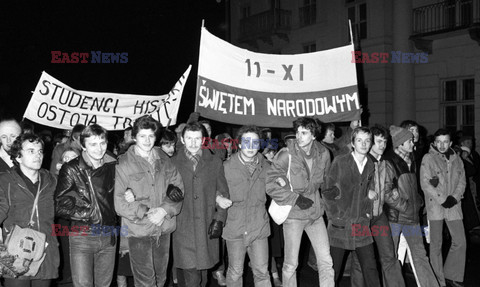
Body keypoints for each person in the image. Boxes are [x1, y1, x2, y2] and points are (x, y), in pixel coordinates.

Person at [115, 115, 184, 287]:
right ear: (134, 136)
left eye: (151, 136)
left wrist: (164, 210)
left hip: (163, 227)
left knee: (161, 279)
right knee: (145, 281)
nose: (147, 140)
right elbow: (119, 202)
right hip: (139, 230)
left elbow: (178, 189)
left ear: (156, 136)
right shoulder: (123, 164)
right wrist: (147, 213)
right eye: (142, 136)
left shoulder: (164, 160)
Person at [266, 117, 334, 287]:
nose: (299, 136)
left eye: (304, 132)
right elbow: (270, 184)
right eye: (297, 132)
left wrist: (331, 192)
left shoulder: (324, 154)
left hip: (315, 214)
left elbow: (327, 180)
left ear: (314, 135)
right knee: (290, 265)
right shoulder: (286, 154)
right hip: (294, 215)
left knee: (326, 262)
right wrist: (295, 198)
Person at [55, 124, 118, 287]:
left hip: (108, 235)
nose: (99, 149)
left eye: (102, 143)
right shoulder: (72, 169)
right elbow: (59, 205)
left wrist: (129, 192)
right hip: (83, 236)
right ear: (83, 145)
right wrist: (89, 213)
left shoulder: (113, 166)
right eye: (93, 144)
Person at [171, 122, 231, 287]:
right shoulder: (173, 163)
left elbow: (223, 192)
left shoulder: (214, 162)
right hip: (183, 227)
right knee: (192, 276)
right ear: (182, 139)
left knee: (203, 277)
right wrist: (168, 189)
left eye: (197, 138)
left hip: (206, 224)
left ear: (203, 139)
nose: (192, 142)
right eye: (189, 138)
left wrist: (219, 218)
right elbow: (163, 189)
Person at [349, 125, 406, 287]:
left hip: (379, 216)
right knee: (361, 262)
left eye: (385, 141)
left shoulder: (384, 164)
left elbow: (387, 189)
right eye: (378, 141)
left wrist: (395, 193)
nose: (382, 145)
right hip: (361, 218)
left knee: (389, 256)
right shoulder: (360, 162)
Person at [323, 126, 380, 286]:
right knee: (333, 270)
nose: (364, 144)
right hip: (341, 224)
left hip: (361, 223)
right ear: (353, 143)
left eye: (367, 141)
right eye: (359, 140)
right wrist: (335, 215)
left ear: (371, 144)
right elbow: (327, 191)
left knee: (370, 268)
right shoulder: (340, 162)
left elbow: (371, 189)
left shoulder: (370, 164)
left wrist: (368, 209)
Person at [0, 133, 60, 286]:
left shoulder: (51, 180)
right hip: (15, 251)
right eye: (31, 151)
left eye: (40, 151)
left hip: (45, 251)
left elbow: (69, 203)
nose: (38, 155)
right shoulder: (5, 181)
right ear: (18, 157)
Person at [385, 125, 439, 287]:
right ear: (399, 144)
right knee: (392, 258)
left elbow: (413, 187)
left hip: (412, 217)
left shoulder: (411, 159)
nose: (412, 143)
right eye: (408, 141)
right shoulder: (389, 162)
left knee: (420, 255)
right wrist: (406, 207)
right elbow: (387, 192)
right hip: (395, 217)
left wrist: (418, 202)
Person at [223, 125, 271, 287]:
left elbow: (279, 191)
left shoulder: (267, 167)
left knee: (262, 273)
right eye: (247, 142)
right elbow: (214, 191)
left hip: (259, 227)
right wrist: (218, 197)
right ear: (240, 144)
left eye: (255, 142)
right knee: (235, 272)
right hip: (235, 227)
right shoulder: (226, 167)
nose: (251, 147)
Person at [420, 128, 467, 287]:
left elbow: (462, 181)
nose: (441, 145)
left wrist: (454, 197)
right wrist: (442, 199)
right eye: (438, 142)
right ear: (434, 143)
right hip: (436, 207)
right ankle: (438, 281)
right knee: (436, 245)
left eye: (445, 141)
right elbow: (425, 183)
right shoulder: (428, 158)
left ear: (451, 143)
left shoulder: (457, 159)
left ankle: (452, 273)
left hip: (454, 205)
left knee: (460, 241)